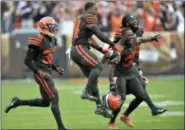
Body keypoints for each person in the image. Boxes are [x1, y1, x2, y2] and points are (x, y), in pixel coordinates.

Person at [5, 17, 67, 130]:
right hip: (40, 73)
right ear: (44, 28)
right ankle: (61, 127)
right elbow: (27, 60)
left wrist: (55, 68)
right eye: (51, 27)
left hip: (46, 71)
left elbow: (45, 58)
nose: (54, 29)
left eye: (54, 27)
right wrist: (39, 72)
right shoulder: (37, 39)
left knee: (45, 102)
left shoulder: (53, 40)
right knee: (54, 96)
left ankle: (18, 102)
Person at [107, 27, 167, 129]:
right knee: (120, 100)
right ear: (122, 36)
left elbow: (140, 39)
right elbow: (111, 68)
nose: (131, 36)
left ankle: (132, 114)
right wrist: (111, 83)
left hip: (130, 74)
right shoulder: (117, 49)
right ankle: (111, 122)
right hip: (120, 76)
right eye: (129, 35)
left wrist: (152, 38)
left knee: (141, 95)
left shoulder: (133, 40)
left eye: (132, 34)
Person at [70, 2, 121, 118]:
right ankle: (86, 91)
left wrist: (102, 50)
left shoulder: (81, 18)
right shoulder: (88, 16)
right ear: (89, 9)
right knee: (98, 66)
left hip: (78, 50)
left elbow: (89, 39)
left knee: (94, 81)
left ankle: (99, 106)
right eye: (95, 9)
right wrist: (112, 44)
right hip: (79, 48)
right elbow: (98, 33)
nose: (96, 12)